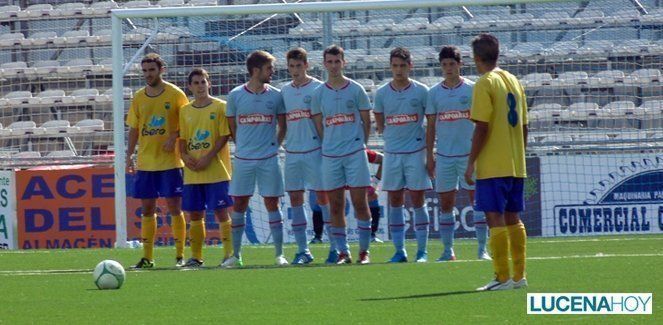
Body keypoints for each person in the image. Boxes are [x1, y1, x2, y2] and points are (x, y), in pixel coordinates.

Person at [465, 34, 528, 291]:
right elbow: (524, 126)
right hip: (516, 162)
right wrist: (518, 154)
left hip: (493, 163)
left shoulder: (484, 83)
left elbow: (482, 126)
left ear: (477, 58)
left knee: (495, 216)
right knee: (513, 216)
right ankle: (519, 276)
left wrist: (471, 162)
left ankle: (502, 277)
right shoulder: (513, 81)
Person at [425, 45, 491, 263]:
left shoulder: (472, 89)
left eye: (452, 64)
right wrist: (430, 156)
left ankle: (482, 249)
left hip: (468, 156)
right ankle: (448, 251)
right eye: (444, 65)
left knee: (478, 203)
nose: (448, 68)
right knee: (445, 205)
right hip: (444, 156)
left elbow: (482, 123)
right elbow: (431, 126)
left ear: (460, 65)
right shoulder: (433, 93)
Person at [225, 50, 288, 267]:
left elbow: (283, 125)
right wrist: (242, 145)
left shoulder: (276, 95)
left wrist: (274, 146)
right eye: (269, 68)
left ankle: (279, 254)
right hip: (243, 159)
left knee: (272, 202)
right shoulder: (235, 95)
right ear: (255, 70)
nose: (272, 72)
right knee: (240, 203)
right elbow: (232, 126)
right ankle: (236, 255)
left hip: (269, 158)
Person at [126, 53, 188, 269]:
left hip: (171, 162)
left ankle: (180, 255)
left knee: (174, 207)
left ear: (162, 70)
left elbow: (187, 122)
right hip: (146, 162)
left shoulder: (175, 94)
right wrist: (129, 156)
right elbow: (134, 128)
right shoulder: (139, 97)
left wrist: (174, 137)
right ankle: (147, 257)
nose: (148, 74)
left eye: (151, 70)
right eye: (144, 71)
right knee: (147, 209)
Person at [312, 45, 373, 264]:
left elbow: (367, 122)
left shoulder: (356, 89)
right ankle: (343, 252)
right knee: (335, 205)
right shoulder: (318, 93)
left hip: (355, 153)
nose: (334, 66)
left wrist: (360, 145)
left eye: (337, 61)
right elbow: (319, 126)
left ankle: (364, 252)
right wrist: (329, 144)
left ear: (344, 63)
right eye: (330, 62)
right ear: (324, 64)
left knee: (360, 203)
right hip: (330, 156)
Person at [374, 47, 432, 263]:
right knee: (395, 200)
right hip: (392, 153)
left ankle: (422, 251)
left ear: (410, 66)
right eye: (395, 66)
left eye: (402, 66)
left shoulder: (422, 91)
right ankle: (400, 251)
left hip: (416, 152)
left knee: (418, 199)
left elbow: (431, 120)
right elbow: (379, 120)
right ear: (390, 67)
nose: (398, 70)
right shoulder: (381, 93)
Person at [177, 68, 234, 268]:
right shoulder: (185, 111)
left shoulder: (220, 107)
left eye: (203, 82)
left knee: (220, 212)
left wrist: (208, 157)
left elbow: (224, 136)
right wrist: (184, 156)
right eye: (196, 83)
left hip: (216, 169)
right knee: (195, 214)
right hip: (193, 172)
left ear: (209, 84)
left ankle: (229, 255)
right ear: (190, 86)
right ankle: (196, 257)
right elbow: (182, 139)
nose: (200, 86)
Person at [280, 47, 332, 264]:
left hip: (315, 151)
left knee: (323, 198)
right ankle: (303, 250)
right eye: (291, 66)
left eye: (299, 66)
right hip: (292, 152)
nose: (295, 70)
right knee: (295, 200)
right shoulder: (284, 91)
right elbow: (282, 122)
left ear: (307, 65)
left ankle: (335, 247)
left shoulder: (319, 88)